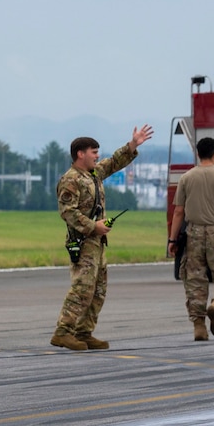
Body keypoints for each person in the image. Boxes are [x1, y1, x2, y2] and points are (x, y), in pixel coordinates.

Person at [52, 125, 155, 351]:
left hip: (97, 243)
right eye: (93, 152)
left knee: (98, 290)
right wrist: (93, 226)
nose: (97, 156)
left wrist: (133, 145)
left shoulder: (93, 174)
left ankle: (84, 332)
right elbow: (67, 211)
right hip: (83, 241)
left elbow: (114, 162)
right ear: (80, 154)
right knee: (82, 287)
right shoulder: (71, 179)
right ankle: (63, 332)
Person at [167, 136, 214, 341]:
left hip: (193, 233)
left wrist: (172, 240)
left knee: (194, 280)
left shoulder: (186, 178)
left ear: (198, 154)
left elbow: (178, 212)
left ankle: (199, 326)